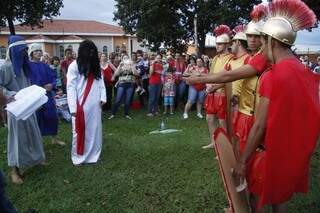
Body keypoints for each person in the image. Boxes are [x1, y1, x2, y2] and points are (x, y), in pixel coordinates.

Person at [233, 1, 319, 212]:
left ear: (272, 41)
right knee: (279, 200)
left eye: (263, 41)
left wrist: (243, 161)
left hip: (269, 153)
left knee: (257, 199)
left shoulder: (272, 76)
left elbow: (260, 125)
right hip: (290, 153)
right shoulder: (305, 72)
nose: (261, 47)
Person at [0, 36, 45, 184]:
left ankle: (37, 159)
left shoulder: (26, 66)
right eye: (22, 51)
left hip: (28, 106)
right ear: (14, 51)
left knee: (33, 133)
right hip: (15, 109)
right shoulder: (5, 67)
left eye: (26, 51)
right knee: (17, 139)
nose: (24, 54)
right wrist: (10, 95)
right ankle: (14, 170)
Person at [67, 40, 106, 165]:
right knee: (79, 131)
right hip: (80, 104)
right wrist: (73, 107)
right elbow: (70, 87)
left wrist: (103, 98)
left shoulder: (96, 66)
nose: (91, 54)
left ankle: (94, 155)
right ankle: (79, 157)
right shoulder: (74, 66)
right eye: (89, 51)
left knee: (95, 129)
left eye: (93, 51)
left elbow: (101, 83)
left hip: (95, 104)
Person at [201, 25, 233, 149]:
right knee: (209, 118)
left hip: (223, 94)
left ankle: (225, 146)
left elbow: (229, 77)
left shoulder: (231, 58)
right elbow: (211, 74)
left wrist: (216, 86)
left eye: (219, 44)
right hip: (212, 93)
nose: (217, 46)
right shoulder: (215, 58)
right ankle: (214, 142)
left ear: (226, 44)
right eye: (216, 43)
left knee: (222, 122)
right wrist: (208, 85)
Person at [28, 43, 65, 146]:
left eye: (40, 50)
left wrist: (51, 85)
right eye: (36, 51)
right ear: (31, 53)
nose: (39, 52)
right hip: (34, 95)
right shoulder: (28, 66)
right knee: (38, 117)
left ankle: (55, 138)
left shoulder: (45, 66)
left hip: (47, 95)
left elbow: (53, 78)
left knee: (52, 116)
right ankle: (37, 141)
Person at [109, 55, 138, 119]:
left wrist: (132, 65)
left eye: (127, 58)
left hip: (130, 84)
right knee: (118, 100)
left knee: (127, 100)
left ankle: (126, 114)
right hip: (121, 84)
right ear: (122, 59)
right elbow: (116, 74)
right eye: (124, 58)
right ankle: (113, 114)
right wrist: (119, 66)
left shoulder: (131, 65)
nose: (126, 59)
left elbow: (136, 73)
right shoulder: (121, 66)